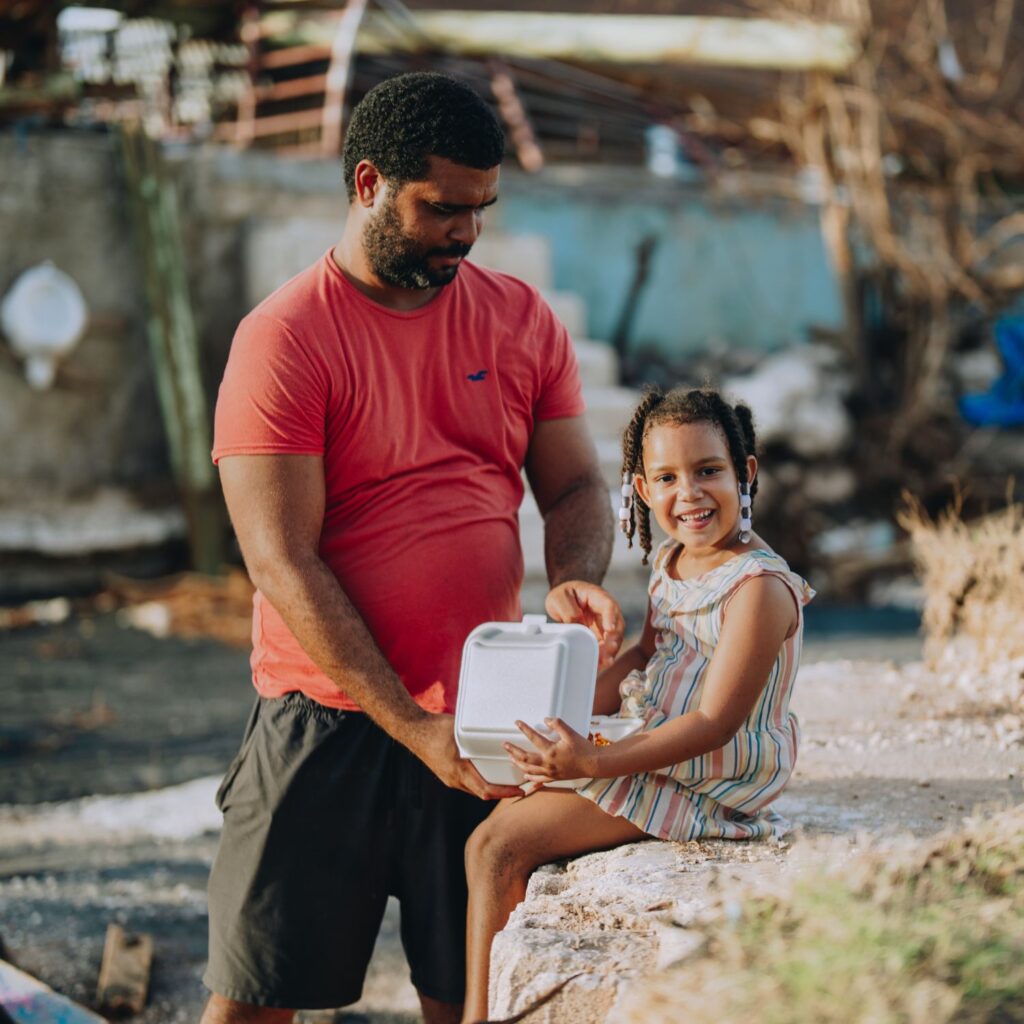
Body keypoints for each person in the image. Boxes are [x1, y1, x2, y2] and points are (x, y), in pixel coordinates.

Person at [200, 72, 623, 1024]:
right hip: (326, 724)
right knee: (252, 1005)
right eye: (442, 209)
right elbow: (282, 560)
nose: (465, 233)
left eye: (481, 210)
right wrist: (410, 722)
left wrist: (574, 580)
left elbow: (574, 486)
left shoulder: (519, 319)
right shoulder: (284, 339)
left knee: (471, 998)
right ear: (367, 184)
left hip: (487, 717)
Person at [462, 386, 815, 1023]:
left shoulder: (758, 590)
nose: (691, 494)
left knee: (496, 848)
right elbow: (645, 657)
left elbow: (714, 724)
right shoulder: (672, 561)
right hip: (655, 742)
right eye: (668, 477)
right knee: (506, 786)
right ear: (642, 490)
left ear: (746, 474)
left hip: (709, 778)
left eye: (710, 471)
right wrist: (559, 728)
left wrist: (594, 762)